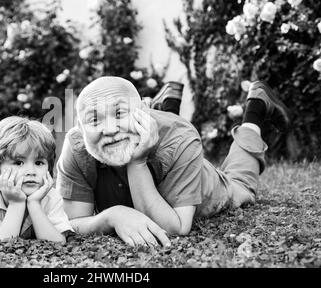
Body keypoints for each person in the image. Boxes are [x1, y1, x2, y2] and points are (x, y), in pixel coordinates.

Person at [55, 77, 289, 247]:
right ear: (80, 127)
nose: (109, 129)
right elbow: (71, 222)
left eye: (119, 114)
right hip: (159, 142)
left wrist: (137, 162)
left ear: (142, 112)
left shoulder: (181, 139)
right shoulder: (77, 145)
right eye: (94, 119)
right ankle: (166, 105)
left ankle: (256, 109)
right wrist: (112, 215)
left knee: (241, 185)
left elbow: (175, 228)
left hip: (200, 181)